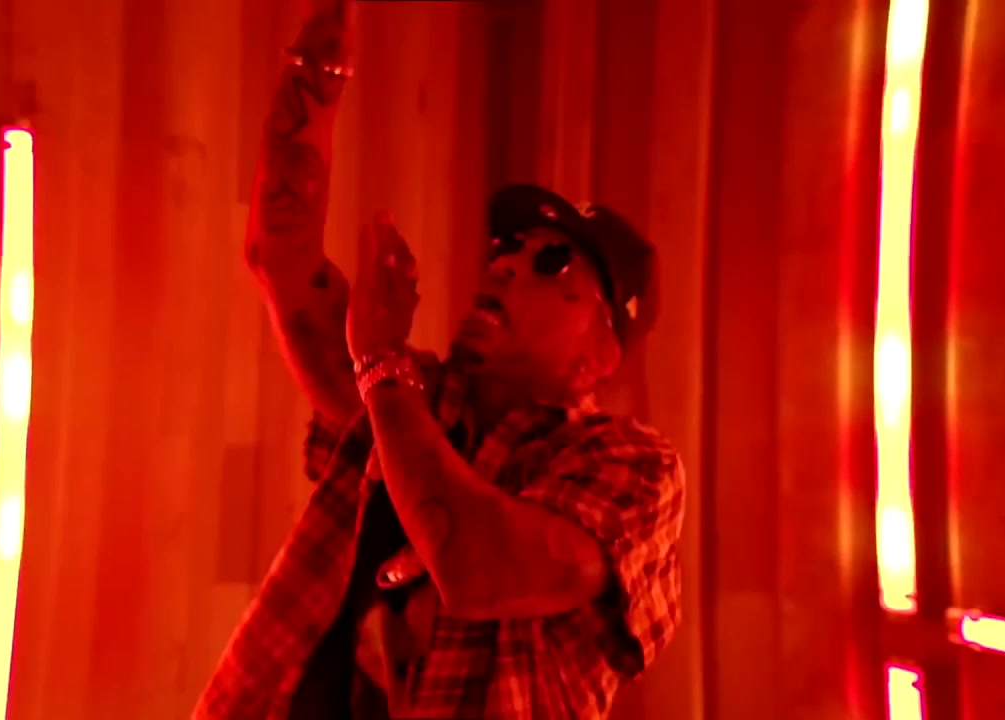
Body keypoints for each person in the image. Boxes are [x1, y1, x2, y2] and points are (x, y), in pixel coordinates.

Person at [195, 0, 684, 717]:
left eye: (552, 262)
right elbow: (280, 256)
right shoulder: (415, 398)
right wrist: (317, 74)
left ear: (602, 354)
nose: (507, 264)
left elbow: (480, 571)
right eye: (506, 247)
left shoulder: (631, 466)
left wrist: (381, 363)